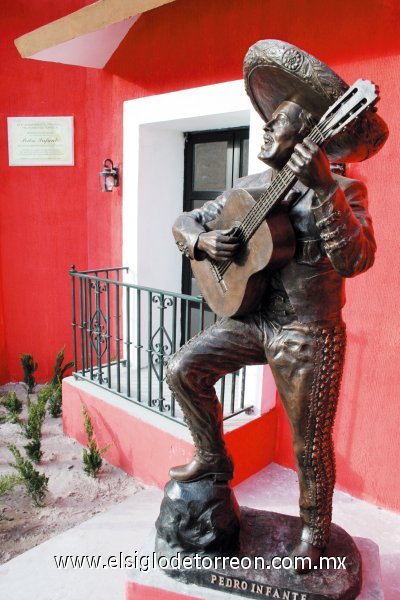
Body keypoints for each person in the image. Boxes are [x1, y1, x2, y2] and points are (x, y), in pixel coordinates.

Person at [165, 40, 388, 569]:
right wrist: (203, 244)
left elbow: (357, 260)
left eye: (279, 123)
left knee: (309, 445)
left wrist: (326, 189)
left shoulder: (344, 190)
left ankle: (314, 535)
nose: (266, 129)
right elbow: (185, 223)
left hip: (309, 334)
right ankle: (213, 457)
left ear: (309, 134)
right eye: (268, 122)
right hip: (253, 318)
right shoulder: (249, 187)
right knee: (182, 369)